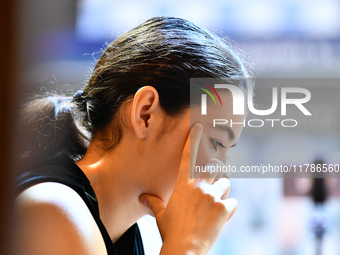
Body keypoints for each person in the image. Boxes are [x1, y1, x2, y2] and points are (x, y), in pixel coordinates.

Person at [13, 16, 253, 255]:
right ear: (145, 114)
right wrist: (188, 247)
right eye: (216, 143)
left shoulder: (145, 238)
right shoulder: (53, 211)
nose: (221, 175)